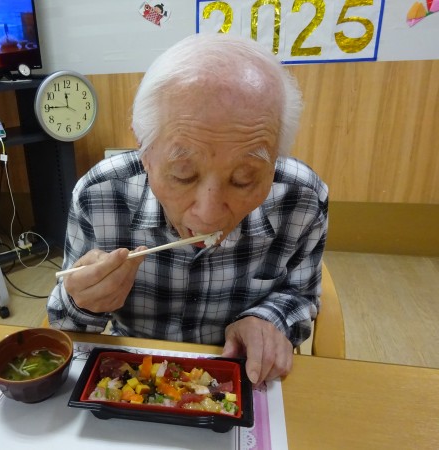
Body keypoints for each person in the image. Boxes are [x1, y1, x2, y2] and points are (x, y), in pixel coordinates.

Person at [47, 33, 328, 385]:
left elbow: (300, 295)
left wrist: (268, 319)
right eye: (183, 174)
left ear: (276, 160)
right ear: (144, 150)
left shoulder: (301, 199)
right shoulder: (100, 194)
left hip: (240, 377)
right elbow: (65, 326)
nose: (209, 216)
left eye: (243, 179)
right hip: (134, 380)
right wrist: (83, 300)